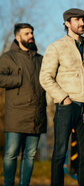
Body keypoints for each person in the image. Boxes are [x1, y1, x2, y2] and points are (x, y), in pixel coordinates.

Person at [39, 8, 84, 186]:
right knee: (59, 152)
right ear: (67, 23)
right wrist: (63, 98)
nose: (82, 23)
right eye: (77, 20)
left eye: (83, 20)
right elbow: (45, 77)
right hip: (67, 105)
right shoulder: (56, 47)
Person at [0, 23, 47, 186]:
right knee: (11, 153)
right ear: (17, 37)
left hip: (36, 115)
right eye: (27, 33)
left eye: (32, 33)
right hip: (16, 115)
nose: (31, 36)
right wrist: (18, 79)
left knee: (30, 155)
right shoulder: (8, 57)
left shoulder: (41, 59)